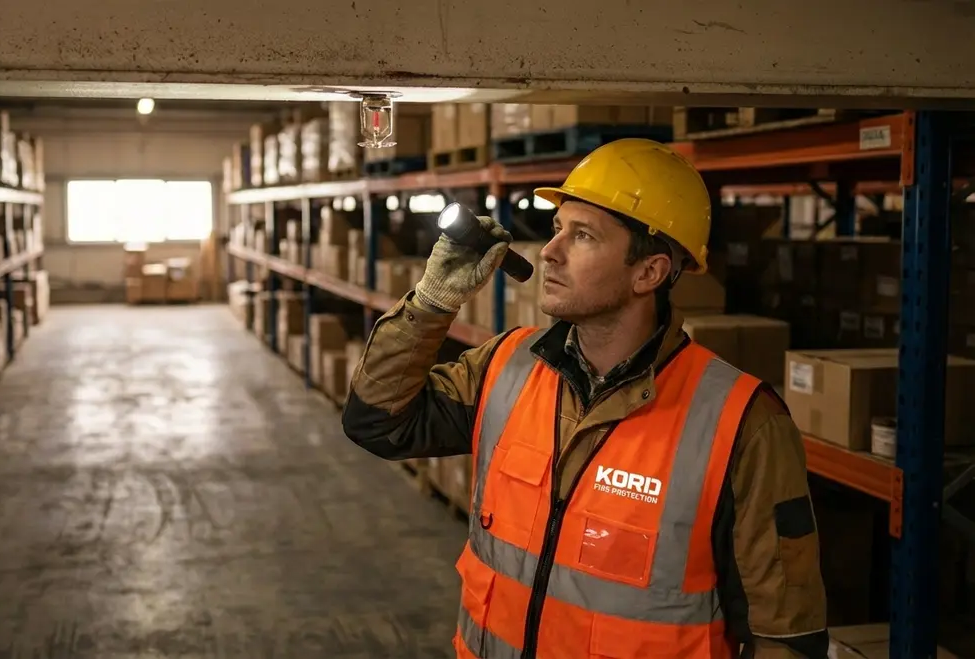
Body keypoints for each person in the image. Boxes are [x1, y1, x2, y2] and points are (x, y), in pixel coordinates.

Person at [341, 138, 829, 659]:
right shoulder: (505, 366)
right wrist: (433, 301)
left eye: (583, 236)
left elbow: (786, 636)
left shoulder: (742, 423)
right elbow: (377, 421)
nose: (549, 252)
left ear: (650, 272)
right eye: (557, 230)